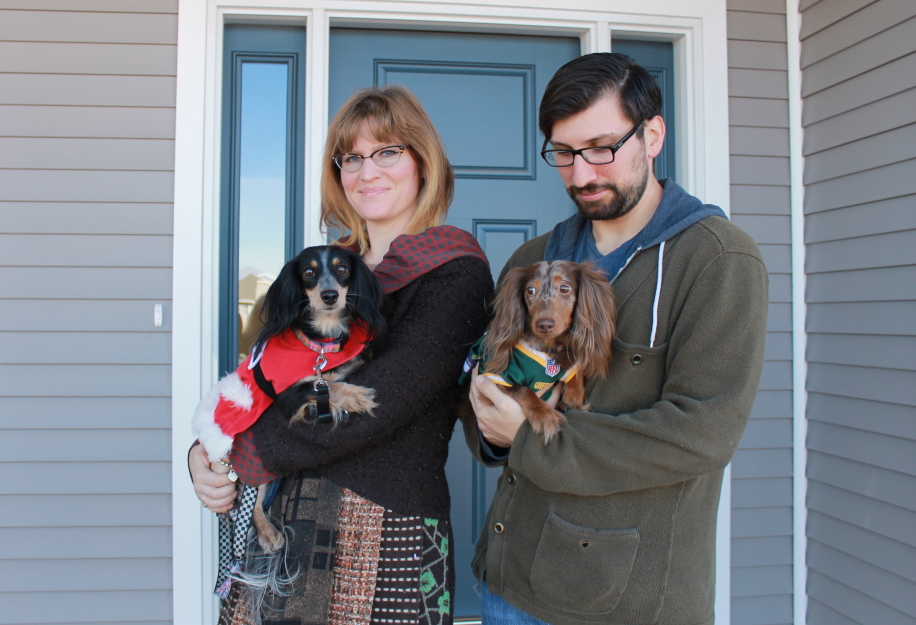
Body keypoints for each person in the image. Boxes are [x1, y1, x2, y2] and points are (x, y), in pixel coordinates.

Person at [465, 53, 768, 625]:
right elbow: (494, 389)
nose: (581, 175)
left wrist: (527, 438)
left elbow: (700, 434)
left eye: (602, 148)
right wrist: (491, 420)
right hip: (504, 578)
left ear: (652, 134)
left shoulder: (717, 261)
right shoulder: (533, 261)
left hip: (621, 603)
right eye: (563, 153)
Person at [190, 85, 495, 625]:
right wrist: (206, 447)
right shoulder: (329, 272)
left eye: (387, 152)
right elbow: (262, 376)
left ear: (422, 160)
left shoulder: (455, 270)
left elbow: (379, 399)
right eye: (351, 157)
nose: (367, 171)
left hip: (387, 527)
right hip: (288, 517)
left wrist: (242, 454)